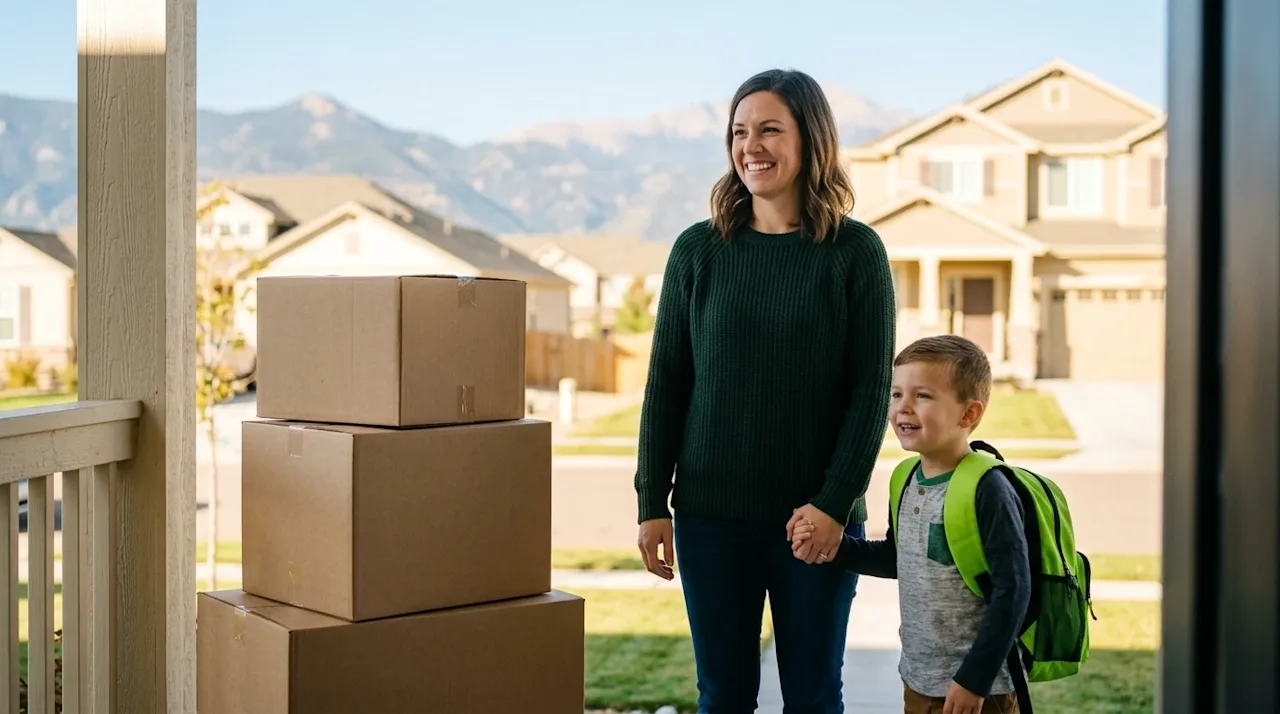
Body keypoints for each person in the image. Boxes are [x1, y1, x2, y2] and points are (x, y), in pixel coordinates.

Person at [634, 67, 896, 713]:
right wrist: (651, 500)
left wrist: (834, 504)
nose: (751, 146)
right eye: (739, 132)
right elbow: (667, 386)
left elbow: (870, 393)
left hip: (816, 522)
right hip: (710, 520)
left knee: (813, 697)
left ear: (811, 139)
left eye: (770, 130)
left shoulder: (855, 252)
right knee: (722, 697)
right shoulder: (698, 251)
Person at [789, 335, 1033, 714]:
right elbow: (895, 558)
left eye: (922, 396)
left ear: (968, 414)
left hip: (979, 690)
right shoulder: (905, 478)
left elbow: (1013, 590)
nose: (903, 407)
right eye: (896, 394)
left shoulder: (988, 488)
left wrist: (975, 679)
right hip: (918, 680)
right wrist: (833, 548)